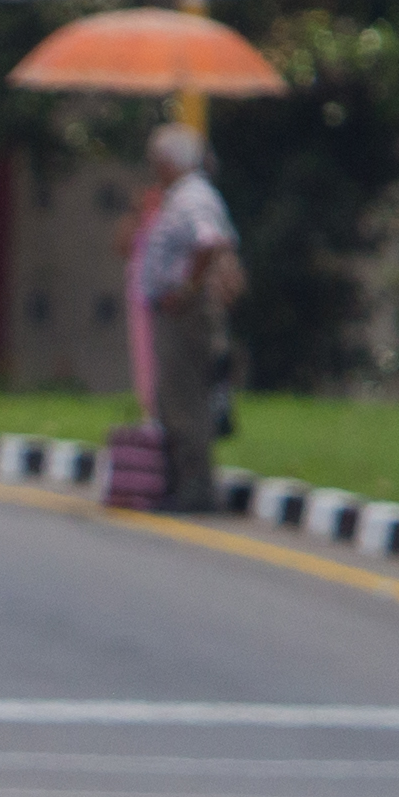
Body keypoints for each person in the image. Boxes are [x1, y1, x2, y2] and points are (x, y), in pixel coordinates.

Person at [126, 121, 239, 514]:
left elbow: (209, 242)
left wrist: (187, 289)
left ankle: (195, 490)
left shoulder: (193, 196)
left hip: (186, 314)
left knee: (184, 401)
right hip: (174, 310)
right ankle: (180, 484)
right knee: (171, 399)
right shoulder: (178, 196)